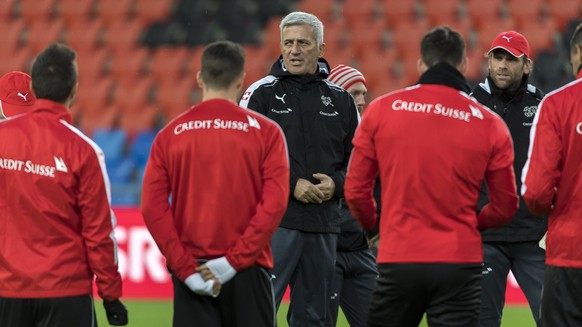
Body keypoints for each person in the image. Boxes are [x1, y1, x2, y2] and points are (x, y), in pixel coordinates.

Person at [344, 26, 520, 327]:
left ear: (421, 64)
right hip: (459, 258)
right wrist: (472, 222)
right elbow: (506, 204)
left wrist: (374, 229)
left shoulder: (381, 110)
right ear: (464, 63)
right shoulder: (490, 123)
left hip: (399, 254)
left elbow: (356, 190)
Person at [141, 40, 290, 327]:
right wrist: (234, 261)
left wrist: (185, 268)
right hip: (250, 271)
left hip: (194, 271)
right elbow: (275, 204)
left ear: (199, 78)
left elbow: (152, 208)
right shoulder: (267, 132)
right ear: (241, 79)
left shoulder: (171, 134)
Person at [239, 11, 359, 326]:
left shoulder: (342, 100)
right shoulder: (259, 94)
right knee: (259, 312)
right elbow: (244, 157)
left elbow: (359, 163)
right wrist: (291, 184)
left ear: (320, 48)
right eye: (288, 43)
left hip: (323, 225)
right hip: (273, 224)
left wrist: (335, 184)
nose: (294, 50)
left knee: (315, 317)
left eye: (303, 43)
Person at [0, 43, 127, 326]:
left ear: (34, 89)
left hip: (7, 291)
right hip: (65, 291)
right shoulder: (85, 151)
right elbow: (99, 232)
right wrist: (110, 294)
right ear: (73, 91)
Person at [470, 30, 546, 327]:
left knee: (554, 316)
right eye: (497, 58)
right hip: (485, 236)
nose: (502, 65)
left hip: (533, 234)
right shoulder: (469, 105)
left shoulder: (542, 106)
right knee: (482, 321)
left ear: (526, 65)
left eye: (511, 60)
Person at [521, 22, 582, 327]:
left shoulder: (557, 104)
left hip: (570, 253)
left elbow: (535, 191)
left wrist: (545, 210)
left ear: (577, 53)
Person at [326, 64, 377, 327]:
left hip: (361, 249)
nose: (362, 100)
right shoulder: (322, 138)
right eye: (355, 93)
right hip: (327, 249)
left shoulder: (371, 138)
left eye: (364, 94)